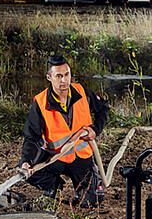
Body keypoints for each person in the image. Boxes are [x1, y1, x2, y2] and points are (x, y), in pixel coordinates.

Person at [20, 55, 109, 207]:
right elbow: (31, 137)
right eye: (59, 76)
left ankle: (93, 184)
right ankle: (55, 187)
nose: (64, 80)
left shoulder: (81, 92)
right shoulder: (40, 102)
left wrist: (95, 129)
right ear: (49, 77)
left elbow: (103, 109)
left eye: (67, 74)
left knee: (91, 202)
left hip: (82, 157)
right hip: (56, 157)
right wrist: (26, 161)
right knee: (30, 174)